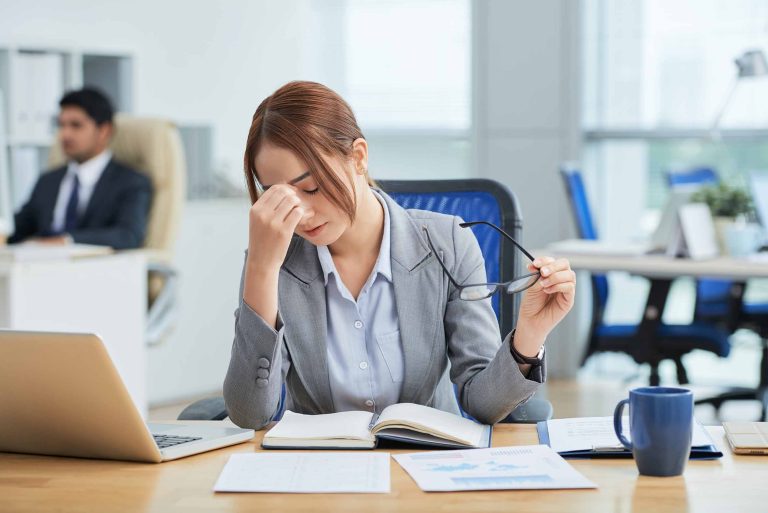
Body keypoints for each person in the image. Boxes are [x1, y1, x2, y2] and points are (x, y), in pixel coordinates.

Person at [224, 81, 575, 430]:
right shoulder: (272, 261)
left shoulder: (448, 244)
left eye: (312, 188)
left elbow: (483, 404)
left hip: (428, 465)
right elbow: (251, 414)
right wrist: (261, 268)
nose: (301, 214)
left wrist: (530, 333)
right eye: (279, 197)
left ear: (358, 157)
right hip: (323, 470)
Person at [8, 88, 152, 249]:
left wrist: (67, 241)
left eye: (76, 126)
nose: (65, 134)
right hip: (40, 266)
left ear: (104, 131)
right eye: (61, 125)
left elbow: (128, 235)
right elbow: (17, 228)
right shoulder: (48, 181)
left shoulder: (130, 181)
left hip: (95, 269)